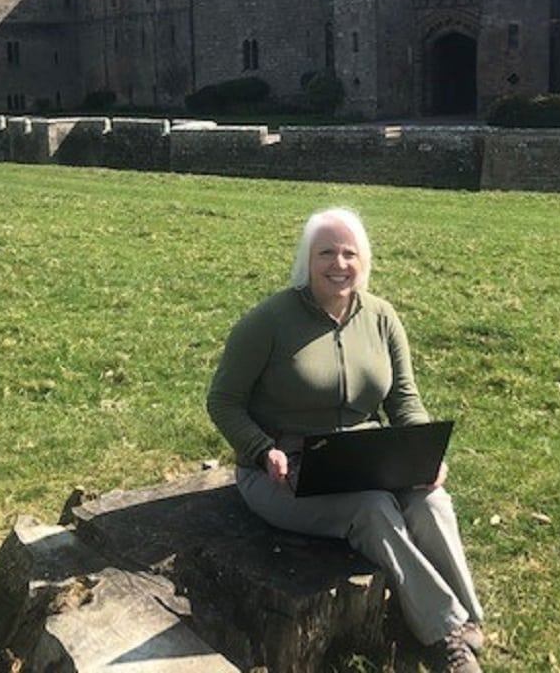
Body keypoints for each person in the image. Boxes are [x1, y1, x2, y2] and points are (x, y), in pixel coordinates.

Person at [207, 207, 486, 673]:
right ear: (306, 260)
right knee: (372, 508)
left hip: (366, 457)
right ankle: (445, 641)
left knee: (430, 502)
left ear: (364, 260)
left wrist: (424, 453)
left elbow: (404, 399)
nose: (339, 264)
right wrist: (261, 449)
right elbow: (223, 401)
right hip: (283, 472)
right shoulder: (268, 322)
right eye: (326, 253)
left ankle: (468, 618)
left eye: (348, 253)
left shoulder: (381, 317)